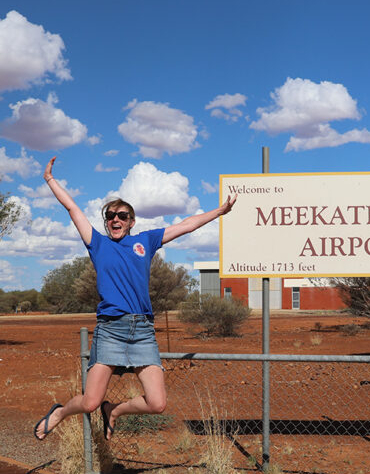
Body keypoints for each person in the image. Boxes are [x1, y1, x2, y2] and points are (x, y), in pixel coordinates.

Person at [34, 156, 236, 441]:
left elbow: (187, 225)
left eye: (122, 216)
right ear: (106, 222)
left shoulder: (146, 241)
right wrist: (50, 180)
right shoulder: (97, 243)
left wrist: (220, 211)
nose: (115, 219)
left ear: (131, 222)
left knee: (157, 403)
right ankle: (58, 413)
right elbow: (72, 207)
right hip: (110, 330)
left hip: (142, 331)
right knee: (90, 402)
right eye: (110, 216)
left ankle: (114, 411)